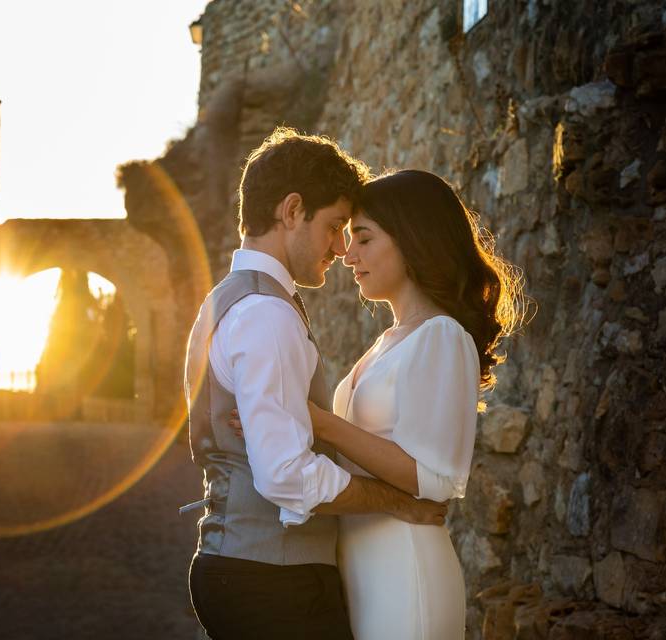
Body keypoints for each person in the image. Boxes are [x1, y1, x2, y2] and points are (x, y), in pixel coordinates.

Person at [233, 169, 526, 638]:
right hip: (361, 570)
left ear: (412, 240)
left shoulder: (442, 336)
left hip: (405, 570)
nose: (347, 255)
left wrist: (318, 422)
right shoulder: (388, 342)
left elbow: (433, 479)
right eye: (347, 238)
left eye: (363, 239)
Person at [183, 130, 448, 640]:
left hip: (241, 567)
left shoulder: (225, 301)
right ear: (292, 210)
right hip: (273, 583)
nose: (340, 247)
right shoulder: (265, 315)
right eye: (334, 226)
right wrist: (394, 500)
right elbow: (285, 475)